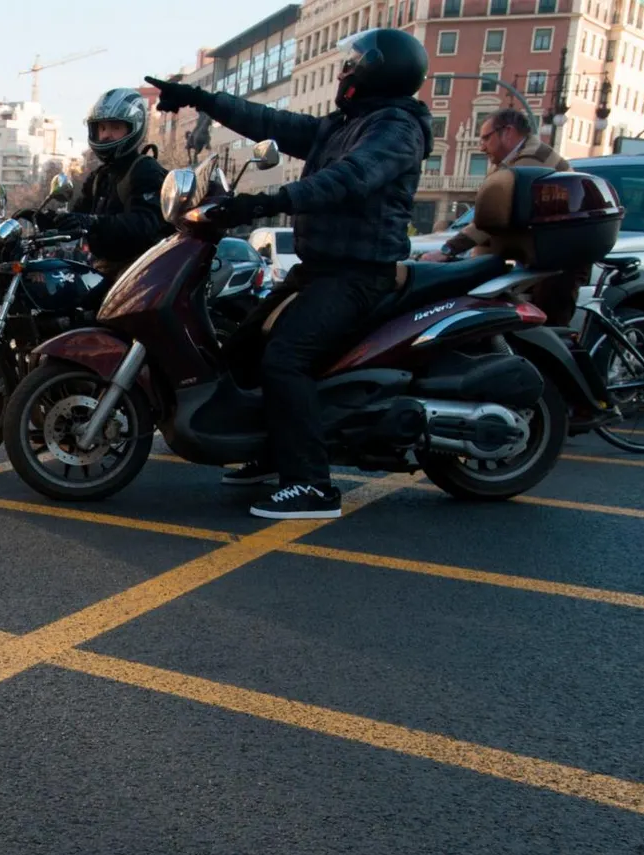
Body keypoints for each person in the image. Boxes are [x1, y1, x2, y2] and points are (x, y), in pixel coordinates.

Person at [146, 28, 433, 520]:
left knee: (286, 359)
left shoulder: (395, 128)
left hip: (358, 275)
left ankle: (312, 486)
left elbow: (350, 178)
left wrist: (269, 201)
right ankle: (273, 451)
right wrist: (201, 99)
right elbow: (268, 120)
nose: (345, 69)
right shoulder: (345, 123)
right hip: (319, 270)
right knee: (240, 350)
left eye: (353, 62)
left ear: (377, 71)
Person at [420, 109, 584, 327]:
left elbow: (492, 219)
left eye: (486, 137)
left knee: (547, 330)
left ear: (508, 132)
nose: (481, 146)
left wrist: (448, 250)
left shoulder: (530, 163)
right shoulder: (513, 162)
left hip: (559, 258)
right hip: (541, 253)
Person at [42, 88, 172, 282]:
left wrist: (93, 222)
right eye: (102, 128)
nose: (106, 135)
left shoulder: (145, 170)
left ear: (133, 128)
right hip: (103, 269)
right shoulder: (100, 176)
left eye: (115, 128)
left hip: (139, 272)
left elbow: (145, 224)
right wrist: (47, 220)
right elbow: (77, 216)